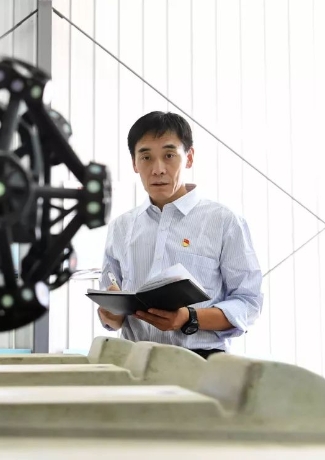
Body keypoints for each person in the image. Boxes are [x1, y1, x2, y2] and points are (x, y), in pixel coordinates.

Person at [97, 111, 263, 359]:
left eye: (169, 155)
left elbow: (248, 303)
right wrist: (110, 314)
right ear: (134, 163)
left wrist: (190, 317)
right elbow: (113, 313)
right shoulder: (121, 227)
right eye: (146, 157)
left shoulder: (224, 222)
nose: (157, 169)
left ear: (189, 157)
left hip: (202, 363)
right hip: (134, 362)